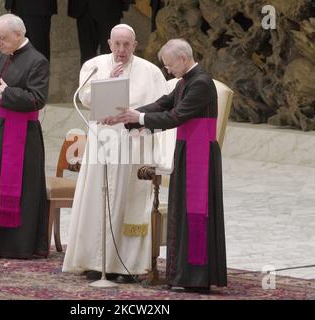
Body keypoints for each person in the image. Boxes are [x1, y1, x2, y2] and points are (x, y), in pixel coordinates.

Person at [104, 39, 227, 291]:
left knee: (195, 212)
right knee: (183, 211)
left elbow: (176, 116)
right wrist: (129, 116)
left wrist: (138, 117)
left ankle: (196, 276)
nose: (168, 70)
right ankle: (183, 275)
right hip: (187, 150)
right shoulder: (185, 82)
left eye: (170, 65)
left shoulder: (201, 82)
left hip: (200, 155)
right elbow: (163, 104)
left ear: (183, 59)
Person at [62, 24, 169, 282]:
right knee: (97, 198)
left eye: (127, 45)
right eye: (117, 44)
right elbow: (85, 98)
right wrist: (108, 81)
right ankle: (94, 262)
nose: (121, 50)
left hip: (135, 143)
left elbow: (163, 106)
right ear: (109, 43)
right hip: (105, 141)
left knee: (129, 201)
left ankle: (127, 265)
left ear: (135, 45)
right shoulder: (94, 66)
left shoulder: (151, 71)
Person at [0, 14, 50, 259]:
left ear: (18, 35)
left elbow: (38, 99)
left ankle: (19, 246)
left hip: (23, 136)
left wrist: (8, 93)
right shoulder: (4, 55)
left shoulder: (38, 61)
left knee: (22, 190)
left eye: (2, 38)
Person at [68, 0, 131, 65]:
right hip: (84, 8)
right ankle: (89, 74)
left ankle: (110, 74)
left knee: (109, 52)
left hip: (110, 7)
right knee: (86, 54)